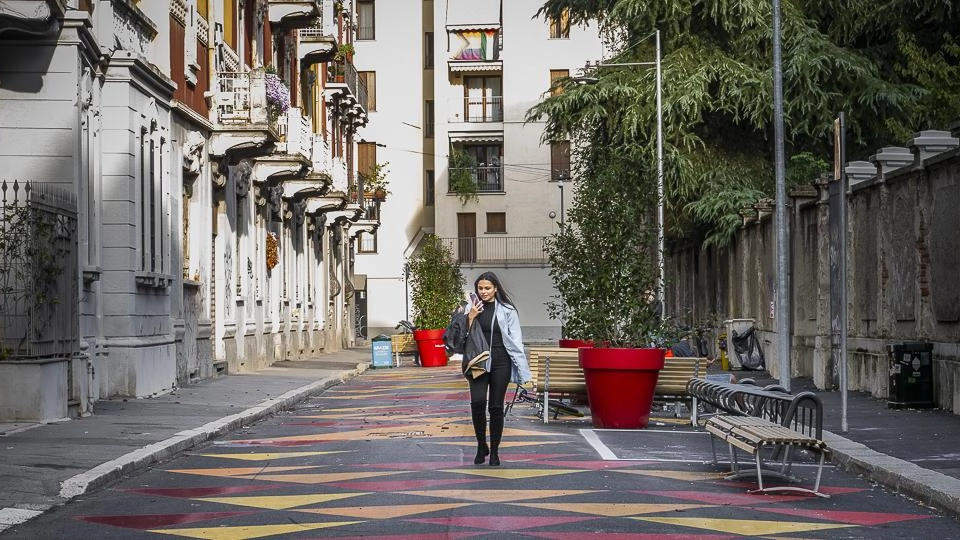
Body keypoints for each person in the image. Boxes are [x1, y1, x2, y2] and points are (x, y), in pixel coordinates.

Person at [463, 271, 531, 466]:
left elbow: (516, 341)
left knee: (495, 407)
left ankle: (494, 452)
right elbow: (461, 335)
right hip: (478, 361)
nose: (483, 292)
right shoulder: (471, 307)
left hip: (501, 360)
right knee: (477, 403)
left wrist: (524, 372)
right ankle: (480, 445)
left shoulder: (507, 310)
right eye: (480, 288)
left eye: (487, 288)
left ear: (495, 289)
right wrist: (470, 316)